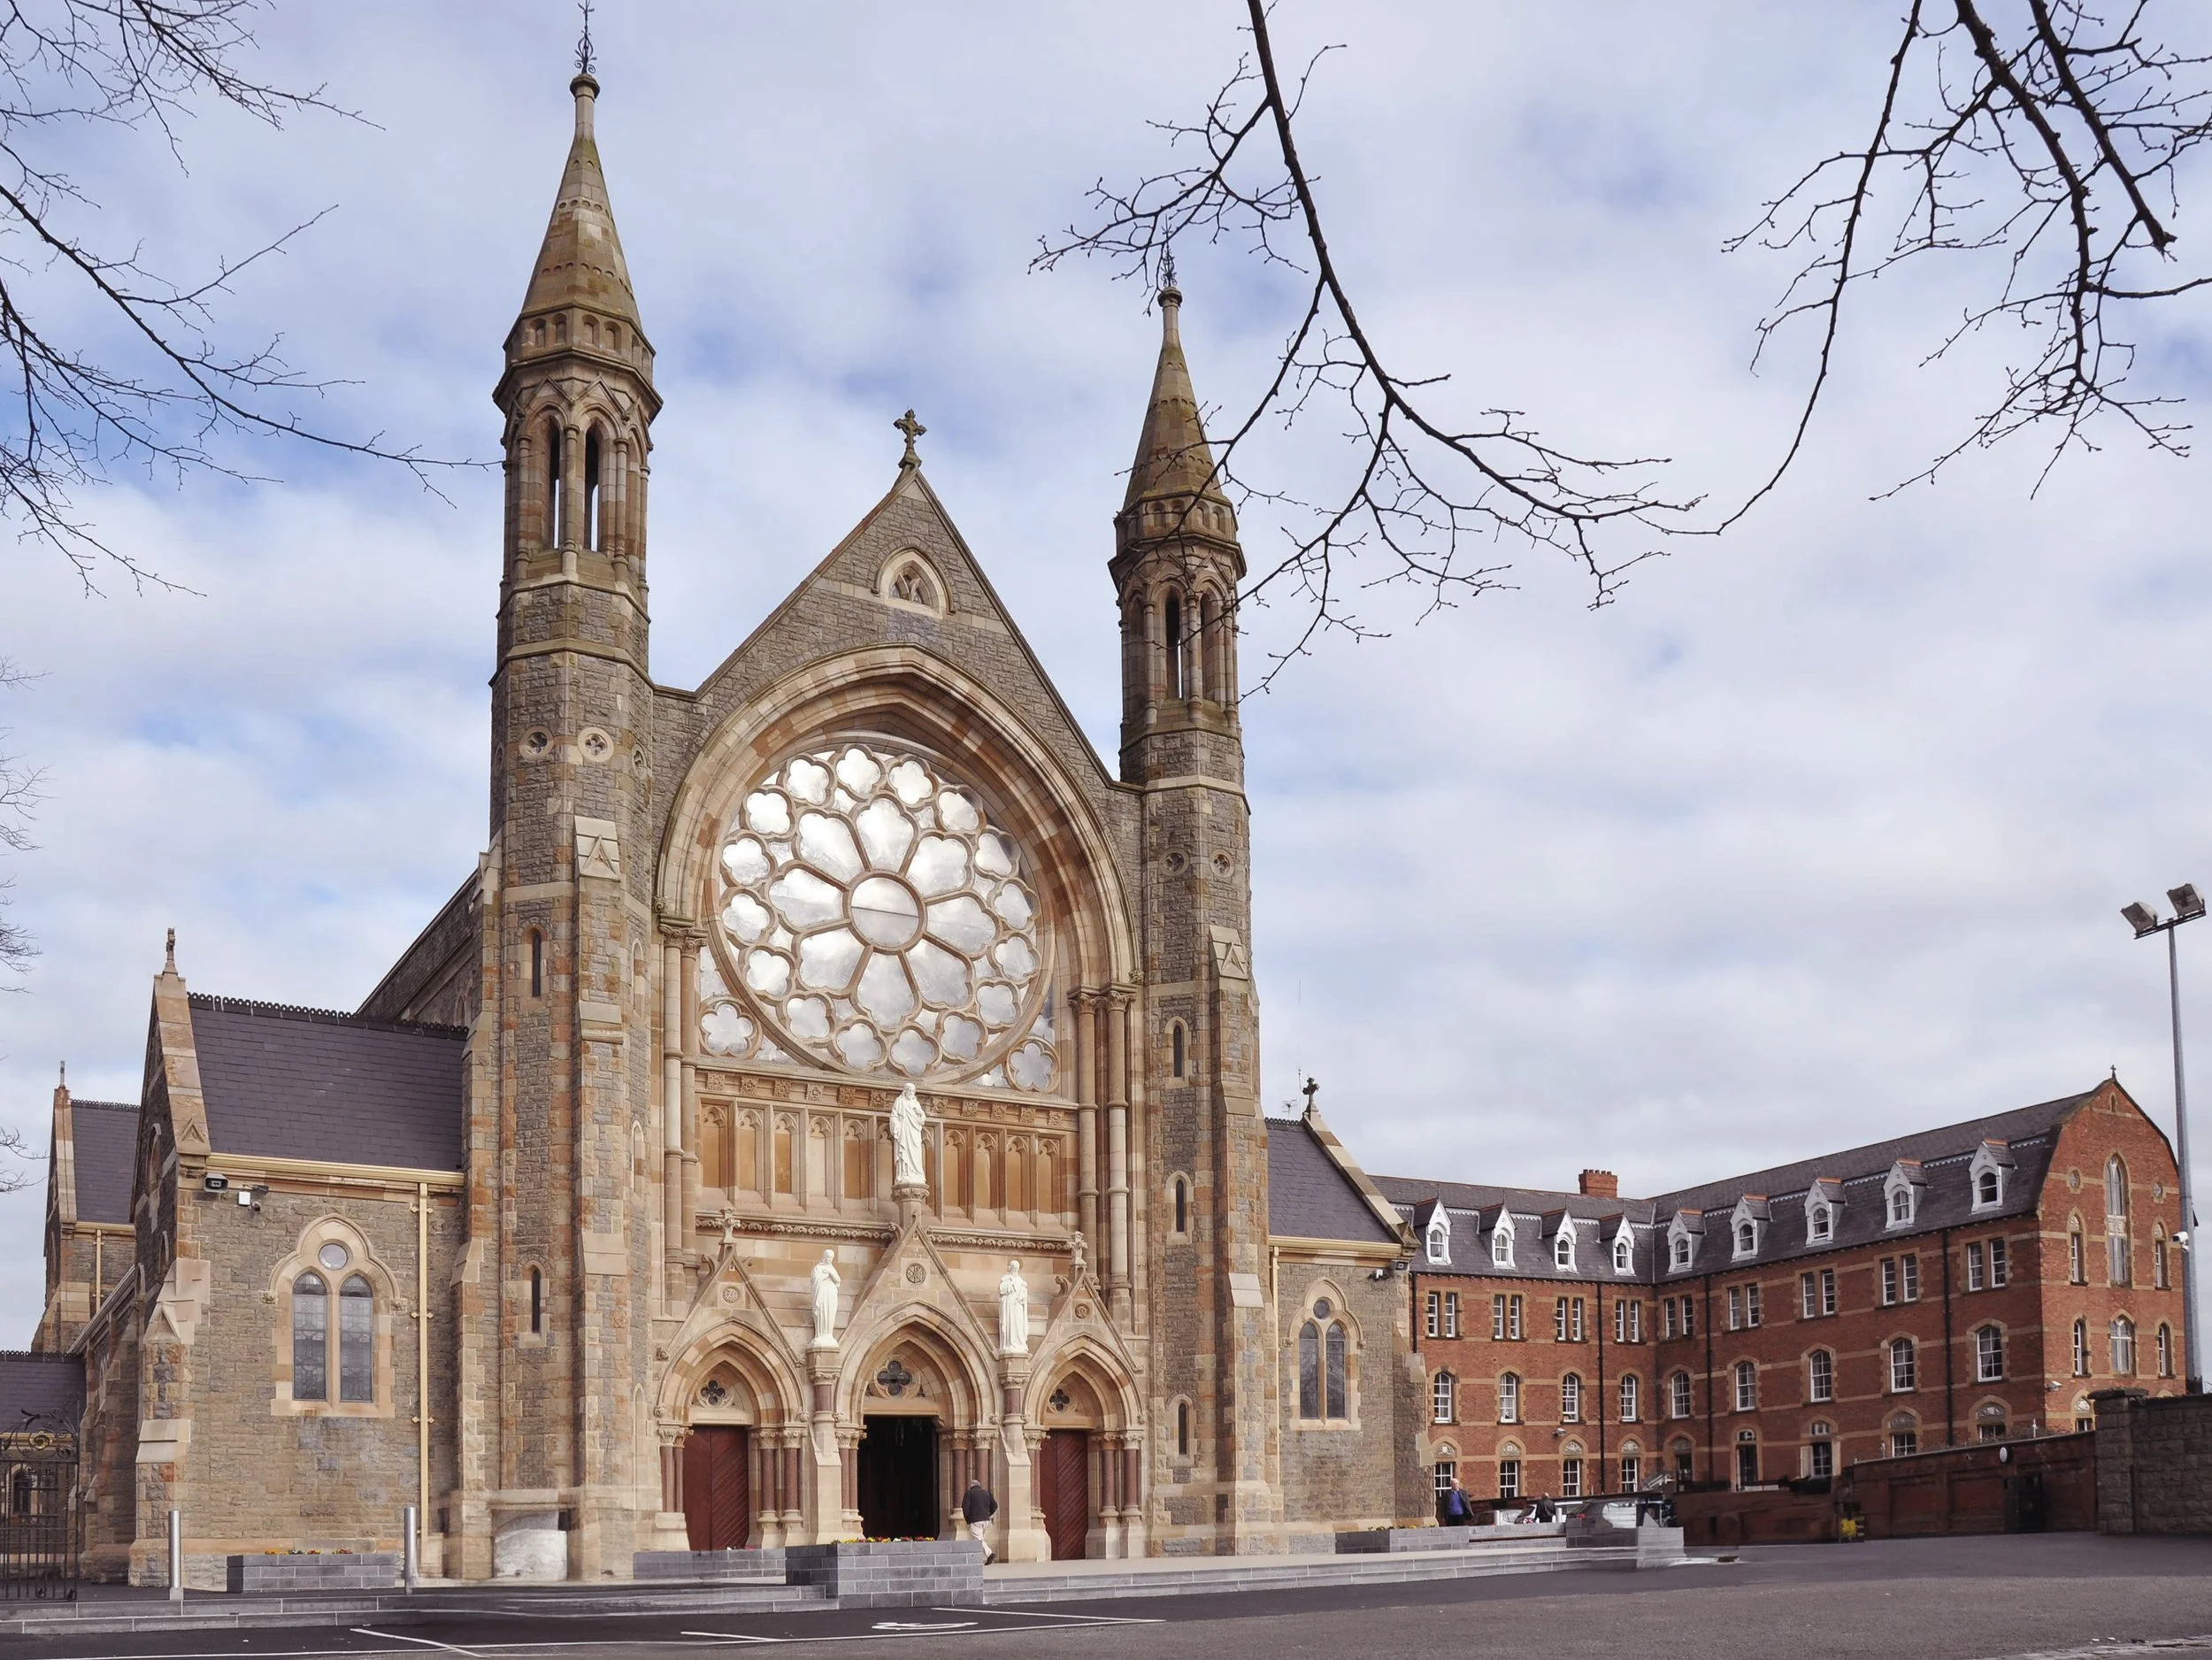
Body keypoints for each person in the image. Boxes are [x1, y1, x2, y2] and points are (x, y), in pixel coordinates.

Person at [961, 1477, 998, 1564]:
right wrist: (988, 1514)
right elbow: (995, 1506)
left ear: (971, 1486)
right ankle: (976, 1559)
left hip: (975, 1520)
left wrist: (968, 1519)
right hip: (986, 1520)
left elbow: (965, 1508)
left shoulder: (969, 1493)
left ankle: (989, 1554)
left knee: (978, 1540)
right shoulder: (987, 1493)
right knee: (979, 1539)